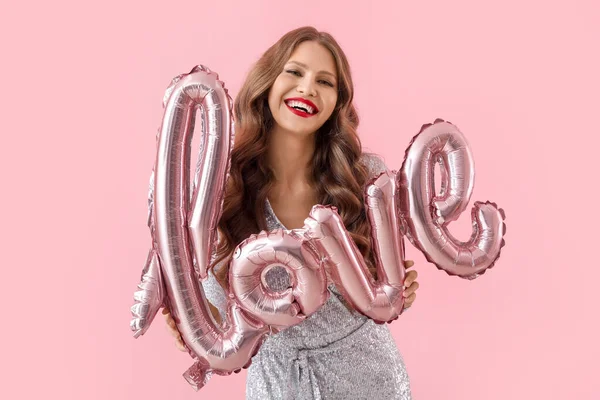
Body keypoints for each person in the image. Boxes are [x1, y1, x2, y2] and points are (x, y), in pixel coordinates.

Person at [162, 26, 419, 399]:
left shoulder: (366, 176)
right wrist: (193, 331)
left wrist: (403, 294)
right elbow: (224, 319)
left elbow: (384, 291)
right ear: (268, 81)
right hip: (277, 385)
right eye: (295, 72)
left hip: (372, 381)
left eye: (325, 81)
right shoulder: (222, 190)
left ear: (337, 102)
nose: (308, 88)